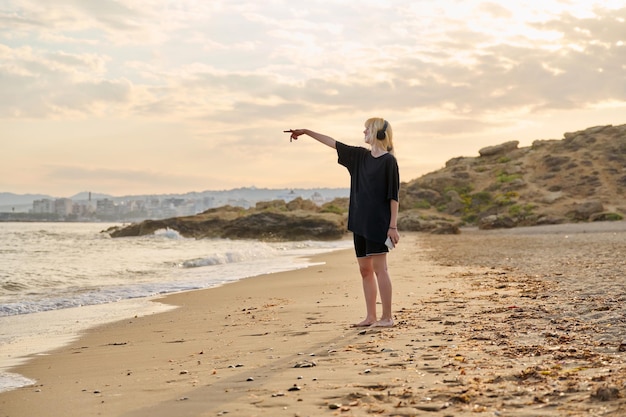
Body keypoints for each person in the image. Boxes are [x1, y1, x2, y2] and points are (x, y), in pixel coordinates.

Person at [285, 118, 400, 327]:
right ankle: (370, 317)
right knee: (365, 270)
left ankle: (387, 317)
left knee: (379, 269)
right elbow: (332, 142)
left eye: (367, 128)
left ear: (379, 133)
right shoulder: (358, 156)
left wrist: (392, 226)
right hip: (359, 221)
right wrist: (307, 131)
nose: (363, 131)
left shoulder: (389, 161)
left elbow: (393, 196)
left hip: (378, 223)